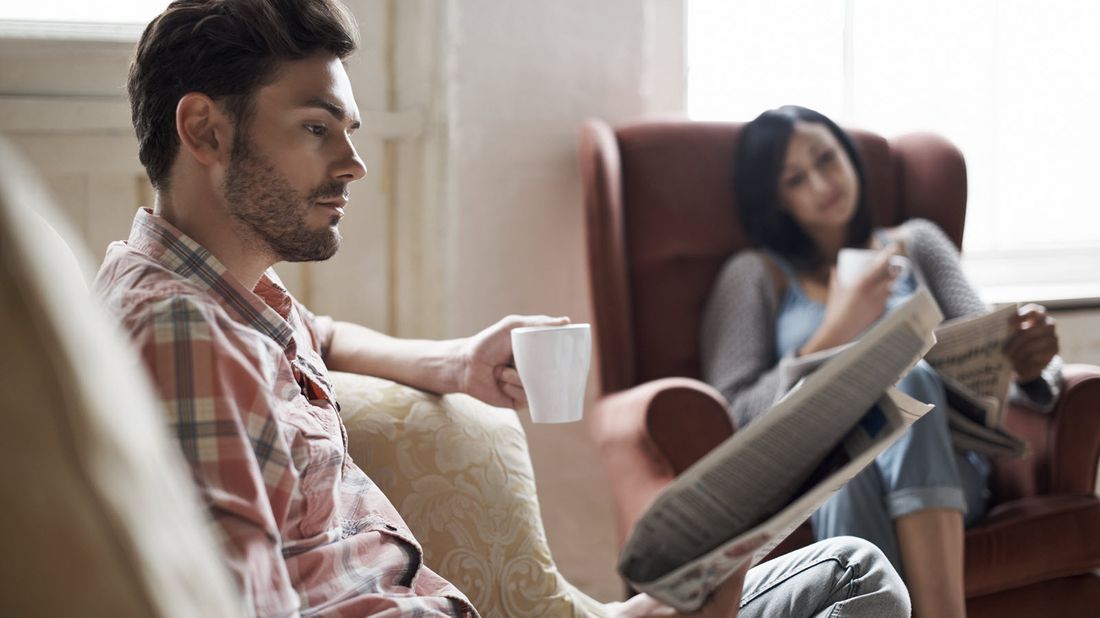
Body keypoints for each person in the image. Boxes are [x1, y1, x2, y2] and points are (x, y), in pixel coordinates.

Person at [93, 4, 911, 616]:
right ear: (203, 129)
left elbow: (324, 337)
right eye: (317, 128)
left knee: (849, 571)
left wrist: (455, 362)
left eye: (350, 131)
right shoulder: (181, 333)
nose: (353, 165)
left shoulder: (232, 303)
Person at [700, 105, 1063, 618]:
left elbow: (1003, 356)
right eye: (796, 179)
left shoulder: (918, 243)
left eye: (827, 158)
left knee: (905, 381)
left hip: (948, 471)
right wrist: (835, 331)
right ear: (776, 199)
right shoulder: (754, 275)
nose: (822, 182)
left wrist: (1034, 365)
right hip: (829, 474)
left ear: (848, 155)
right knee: (852, 450)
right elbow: (733, 414)